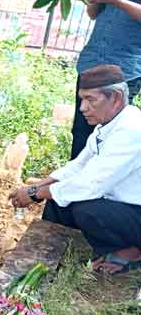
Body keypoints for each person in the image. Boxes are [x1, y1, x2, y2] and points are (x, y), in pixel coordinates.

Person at [10, 65, 141, 275]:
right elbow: (78, 166)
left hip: (136, 213)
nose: (82, 108)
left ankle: (132, 251)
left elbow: (90, 185)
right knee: (58, 200)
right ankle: (46, 257)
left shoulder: (132, 130)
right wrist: (37, 187)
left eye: (90, 100)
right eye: (82, 99)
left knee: (86, 208)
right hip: (122, 206)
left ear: (115, 98)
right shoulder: (107, 125)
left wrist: (34, 194)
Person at [71, 0, 141, 159]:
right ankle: (73, 182)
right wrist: (93, 1)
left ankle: (99, 184)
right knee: (81, 130)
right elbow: (93, 14)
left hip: (124, 71)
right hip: (91, 64)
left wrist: (118, 1)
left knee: (110, 136)